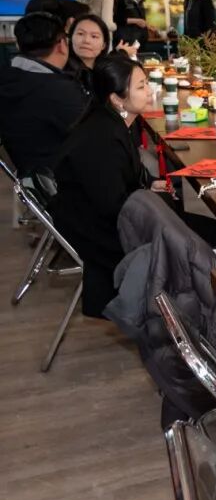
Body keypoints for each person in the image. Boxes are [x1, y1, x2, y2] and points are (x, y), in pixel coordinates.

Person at [50, 55, 166, 317]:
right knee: (202, 235)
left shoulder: (113, 122)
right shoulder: (102, 138)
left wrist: (149, 184)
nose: (149, 91)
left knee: (190, 222)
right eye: (141, 86)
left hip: (105, 215)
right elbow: (113, 205)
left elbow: (125, 176)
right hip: (99, 231)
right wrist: (147, 197)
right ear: (117, 99)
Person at [0, 12, 89, 180]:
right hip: (65, 180)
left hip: (28, 176)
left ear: (19, 45)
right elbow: (94, 138)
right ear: (62, 44)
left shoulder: (7, 77)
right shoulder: (60, 91)